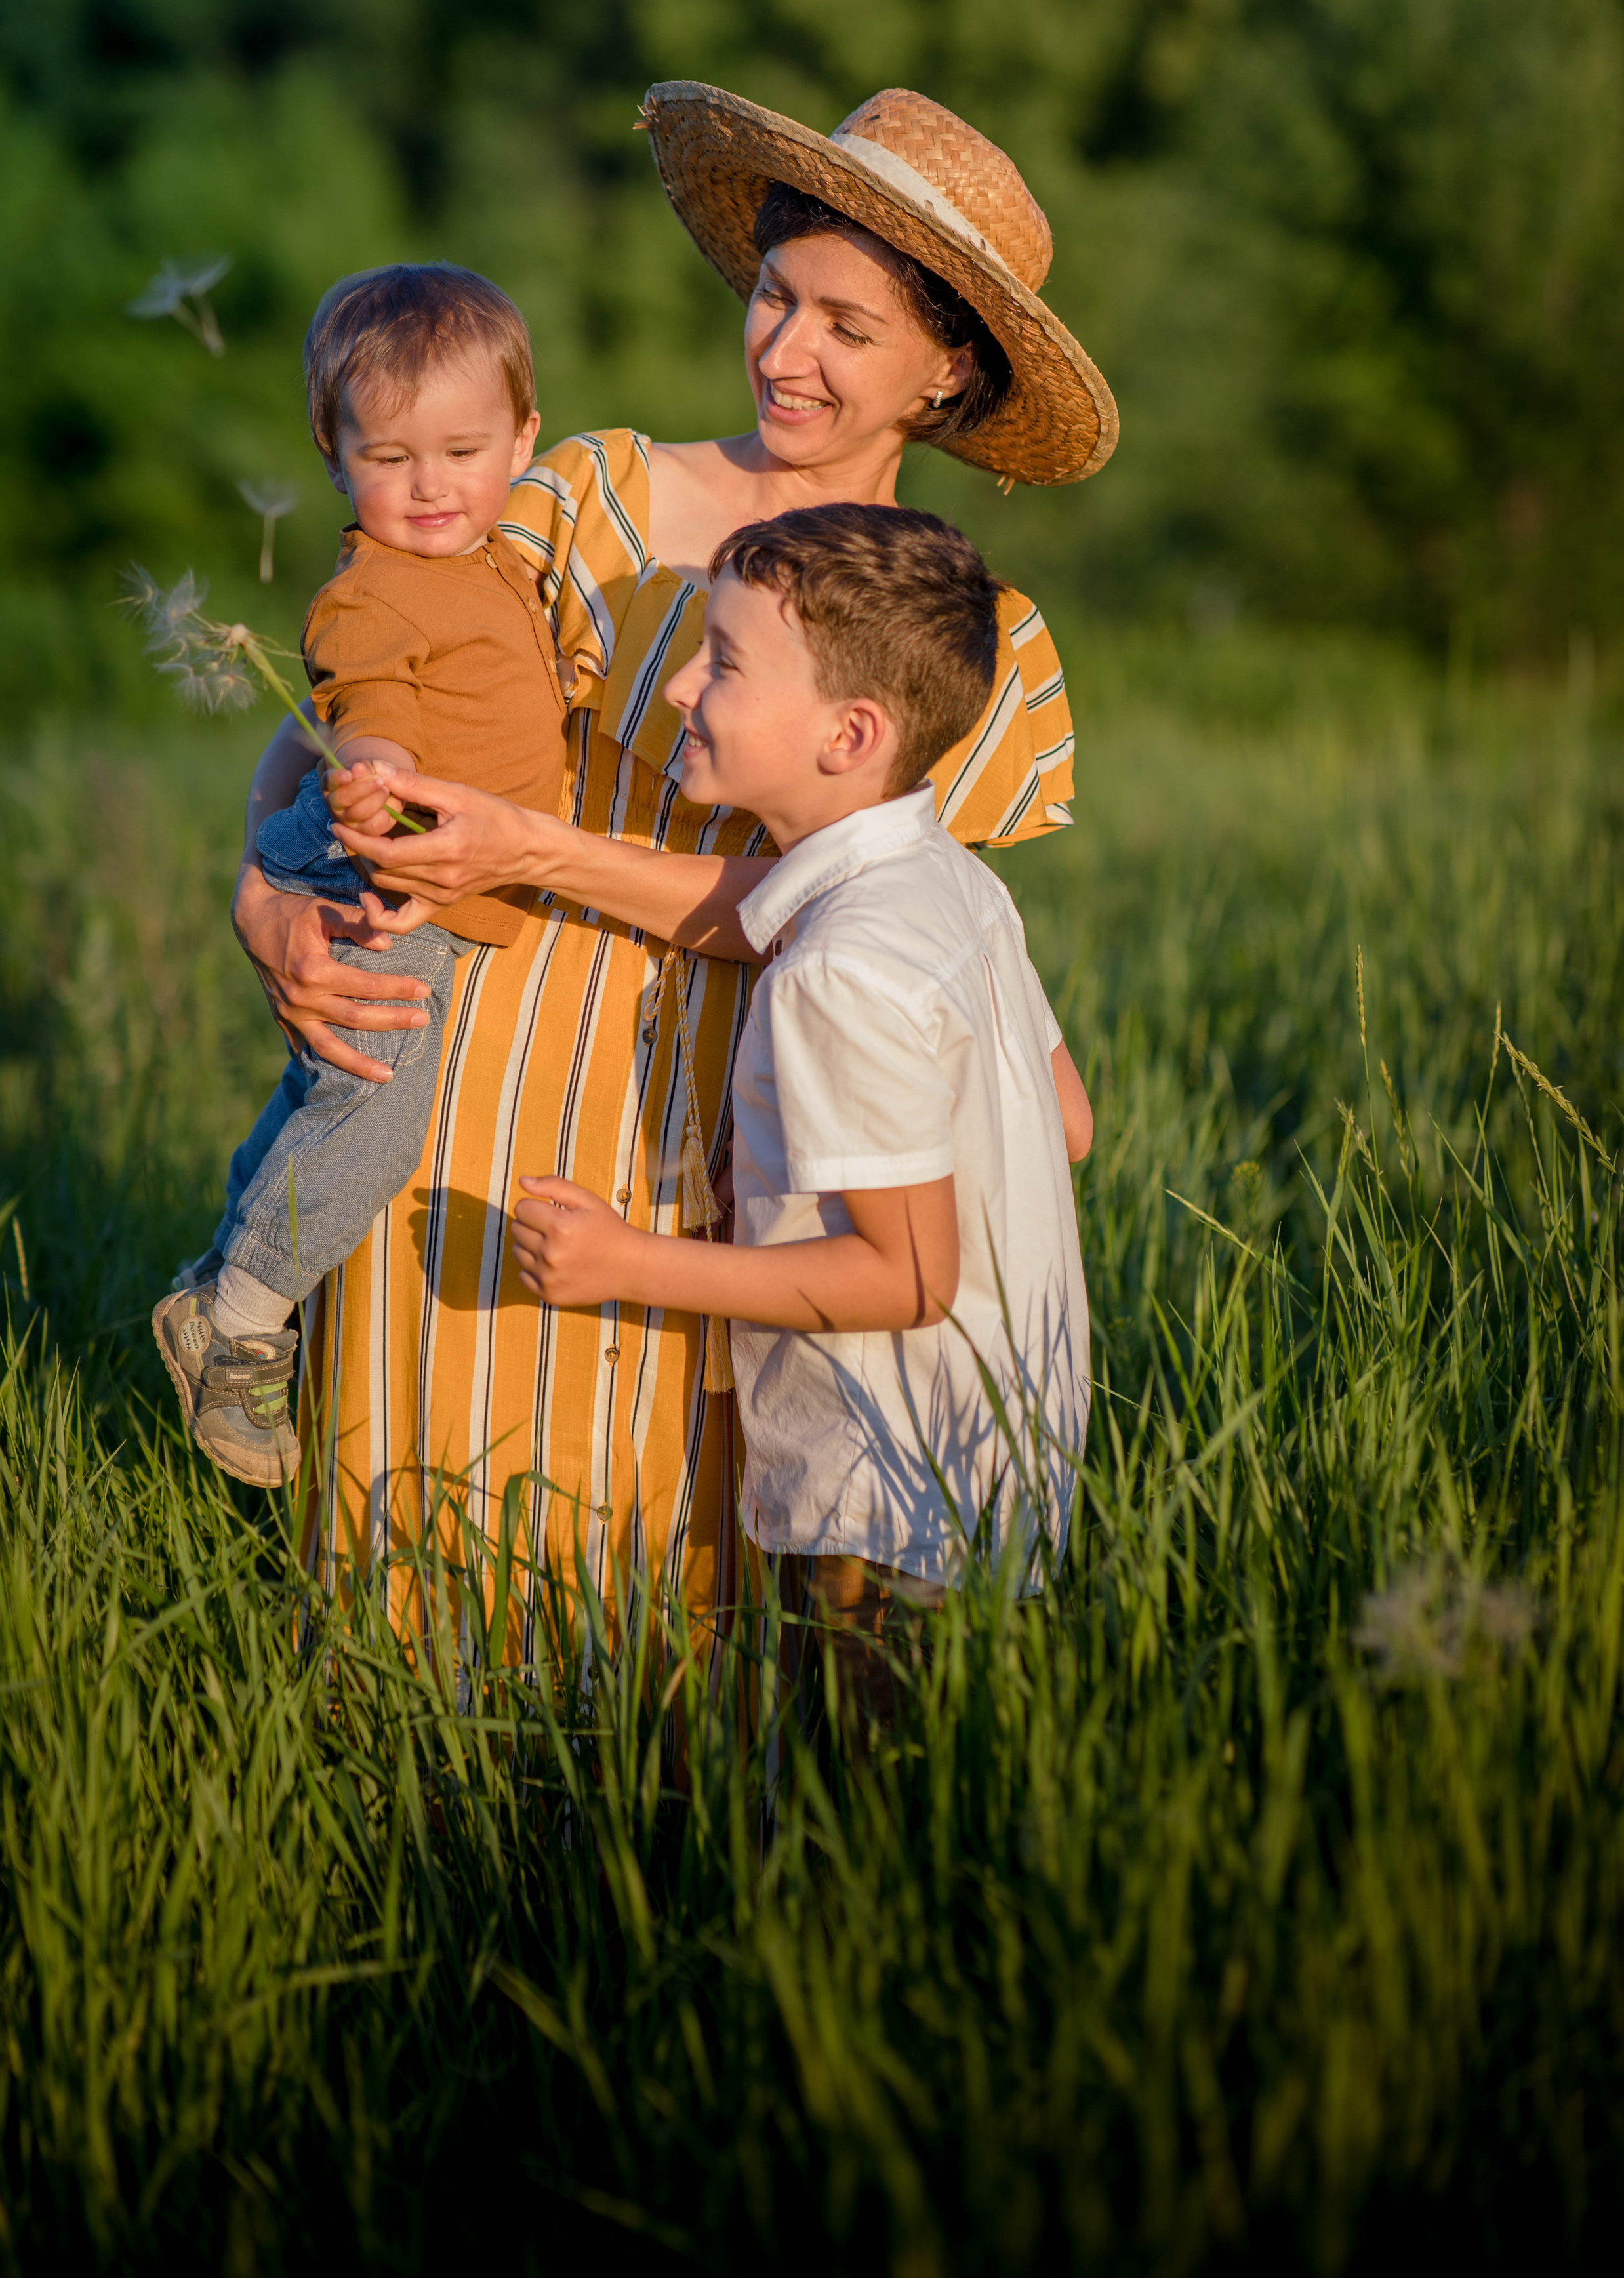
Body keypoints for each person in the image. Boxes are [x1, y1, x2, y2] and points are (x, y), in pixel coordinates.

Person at [230, 81, 1114, 1644]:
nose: (783, 352)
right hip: (492, 1063)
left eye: (849, 328)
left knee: (675, 1567)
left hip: (752, 1116)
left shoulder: (973, 647)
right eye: (778, 297)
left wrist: (540, 844)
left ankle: (637, 1862)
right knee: (435, 1525)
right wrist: (261, 887)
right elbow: (353, 694)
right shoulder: (591, 497)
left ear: (947, 368)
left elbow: (866, 925)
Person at [508, 504, 1091, 1720]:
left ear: (850, 733)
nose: (675, 689)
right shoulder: (959, 888)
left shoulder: (839, 963)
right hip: (993, 1466)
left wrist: (625, 1260)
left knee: (857, 1846)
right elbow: (1067, 1122)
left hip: (885, 1507)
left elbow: (908, 1279)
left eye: (721, 661)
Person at [153, 264, 564, 1485]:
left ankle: (219, 1274)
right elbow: (372, 708)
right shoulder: (375, 593)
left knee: (328, 1093)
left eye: (463, 449)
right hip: (373, 872)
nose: (430, 485)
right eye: (390, 457)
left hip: (374, 867)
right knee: (375, 1116)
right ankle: (241, 1322)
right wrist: (372, 774)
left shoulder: (493, 559)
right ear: (332, 455)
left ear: (523, 441)